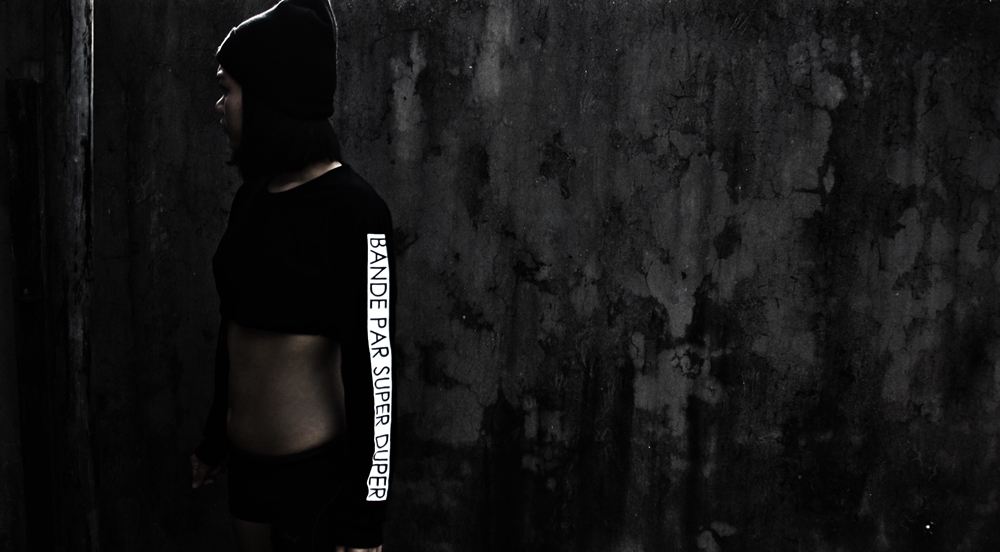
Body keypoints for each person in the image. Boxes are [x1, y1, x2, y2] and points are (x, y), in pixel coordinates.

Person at [188, 1, 395, 550]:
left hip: (315, 484)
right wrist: (214, 441)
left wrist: (366, 516)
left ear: (267, 97)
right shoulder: (251, 200)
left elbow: (375, 372)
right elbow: (234, 334)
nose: (219, 105)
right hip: (247, 477)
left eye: (227, 89)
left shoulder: (355, 210)